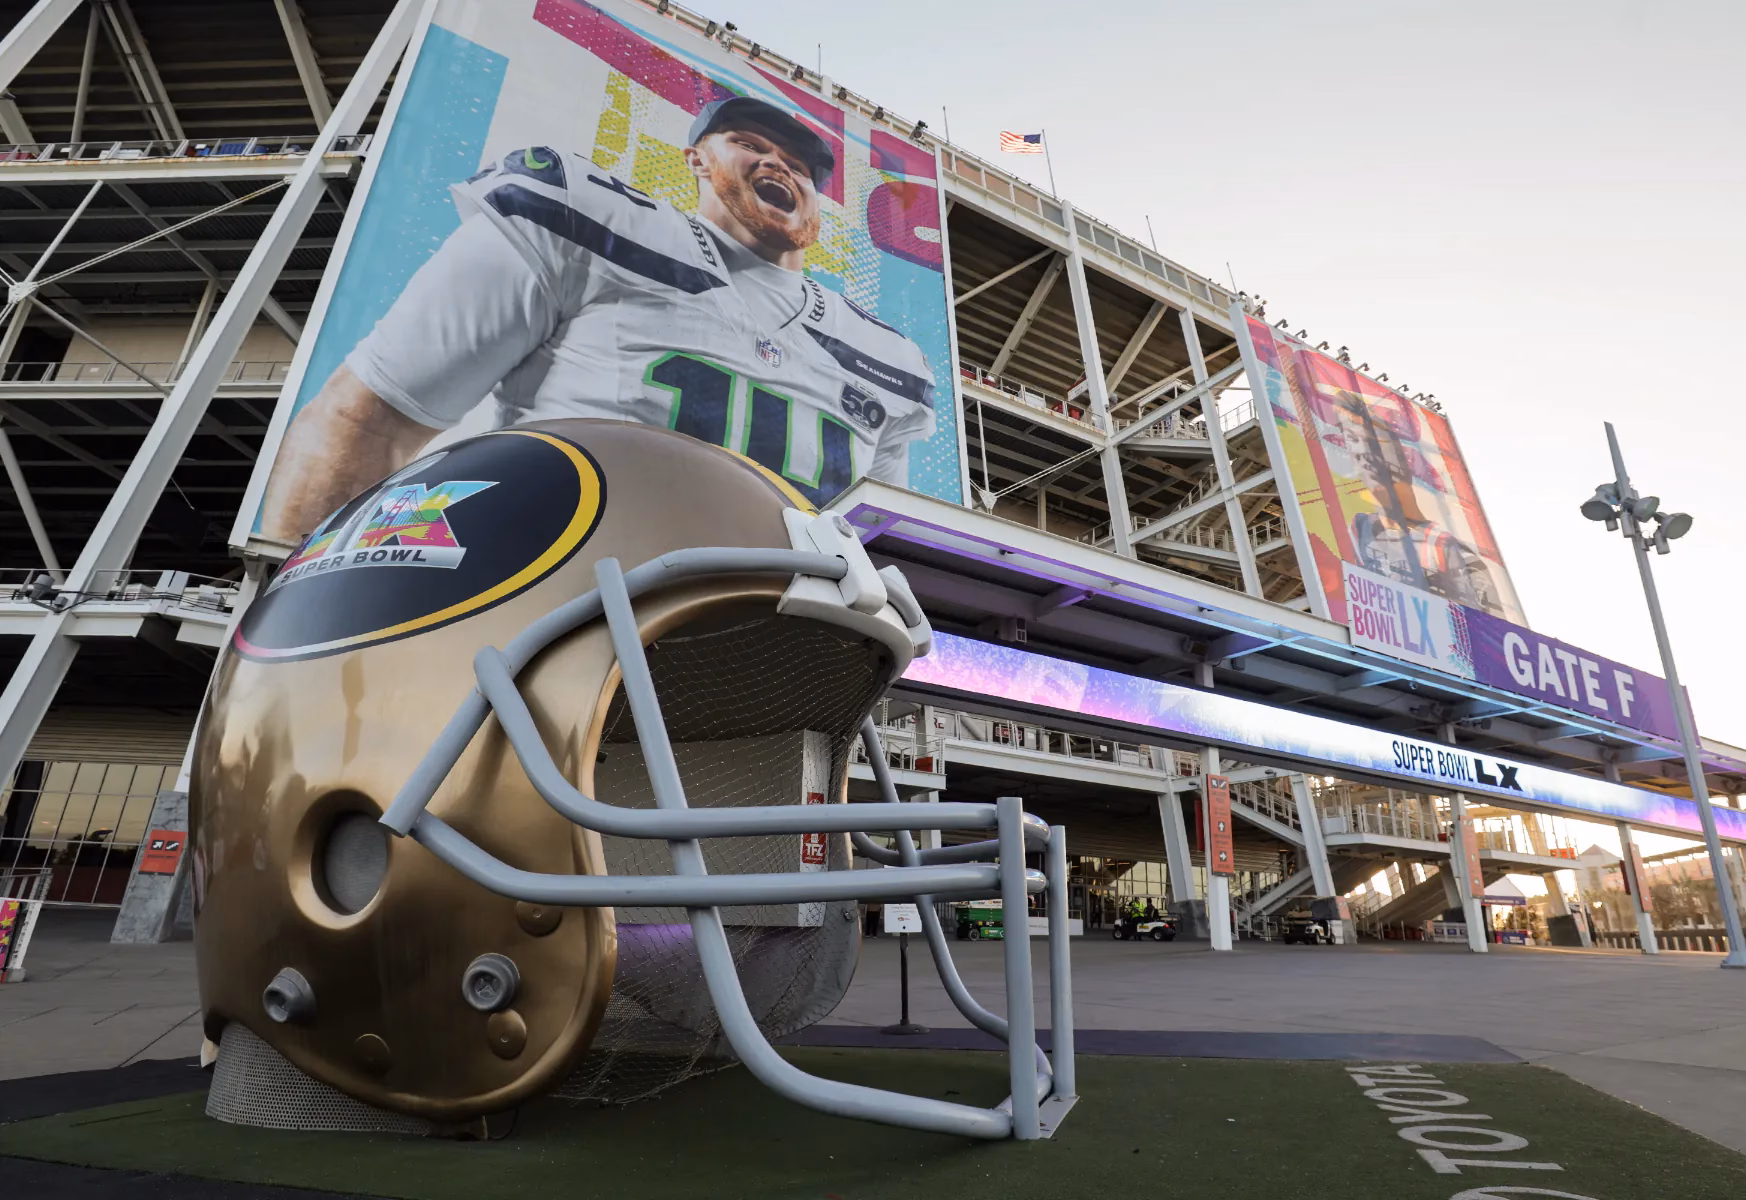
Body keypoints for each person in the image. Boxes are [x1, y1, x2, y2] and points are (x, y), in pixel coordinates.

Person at [259, 95, 939, 544]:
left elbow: (874, 547)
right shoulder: (584, 216)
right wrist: (307, 640)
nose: (776, 164)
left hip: (767, 672)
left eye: (796, 166)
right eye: (748, 143)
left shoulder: (888, 360)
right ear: (697, 159)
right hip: (548, 630)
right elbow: (370, 421)